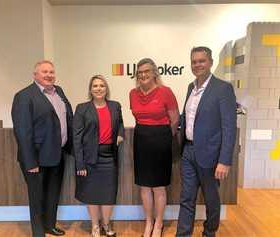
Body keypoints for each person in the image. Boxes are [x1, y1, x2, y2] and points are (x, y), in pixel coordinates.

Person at [176, 47, 236, 237]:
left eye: (202, 61)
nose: (197, 65)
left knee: (211, 200)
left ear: (210, 62)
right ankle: (183, 234)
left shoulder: (223, 88)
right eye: (194, 61)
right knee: (186, 198)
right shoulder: (190, 88)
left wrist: (224, 160)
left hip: (211, 155)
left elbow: (229, 127)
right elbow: (189, 117)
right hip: (188, 152)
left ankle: (209, 232)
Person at [11, 60, 73, 237]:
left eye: (52, 72)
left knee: (53, 193)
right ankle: (38, 232)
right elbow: (23, 131)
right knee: (37, 197)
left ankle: (49, 225)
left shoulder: (58, 91)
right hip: (36, 158)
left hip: (57, 154)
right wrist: (30, 161)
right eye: (44, 72)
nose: (49, 75)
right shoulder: (24, 96)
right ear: (35, 75)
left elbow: (66, 119)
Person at [129, 58, 180, 237]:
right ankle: (148, 222)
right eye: (140, 72)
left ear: (154, 73)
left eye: (147, 71)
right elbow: (137, 118)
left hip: (161, 140)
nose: (143, 75)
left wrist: (163, 137)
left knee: (159, 186)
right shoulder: (132, 93)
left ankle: (158, 223)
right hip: (141, 139)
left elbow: (175, 120)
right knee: (144, 186)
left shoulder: (165, 92)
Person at [73, 75, 124, 237]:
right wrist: (80, 164)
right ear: (90, 89)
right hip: (90, 159)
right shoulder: (82, 108)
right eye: (95, 86)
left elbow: (120, 123)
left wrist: (120, 134)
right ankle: (95, 225)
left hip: (109, 157)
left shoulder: (115, 106)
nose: (99, 88)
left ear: (106, 88)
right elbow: (77, 138)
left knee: (108, 194)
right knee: (92, 193)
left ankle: (106, 224)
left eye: (102, 85)